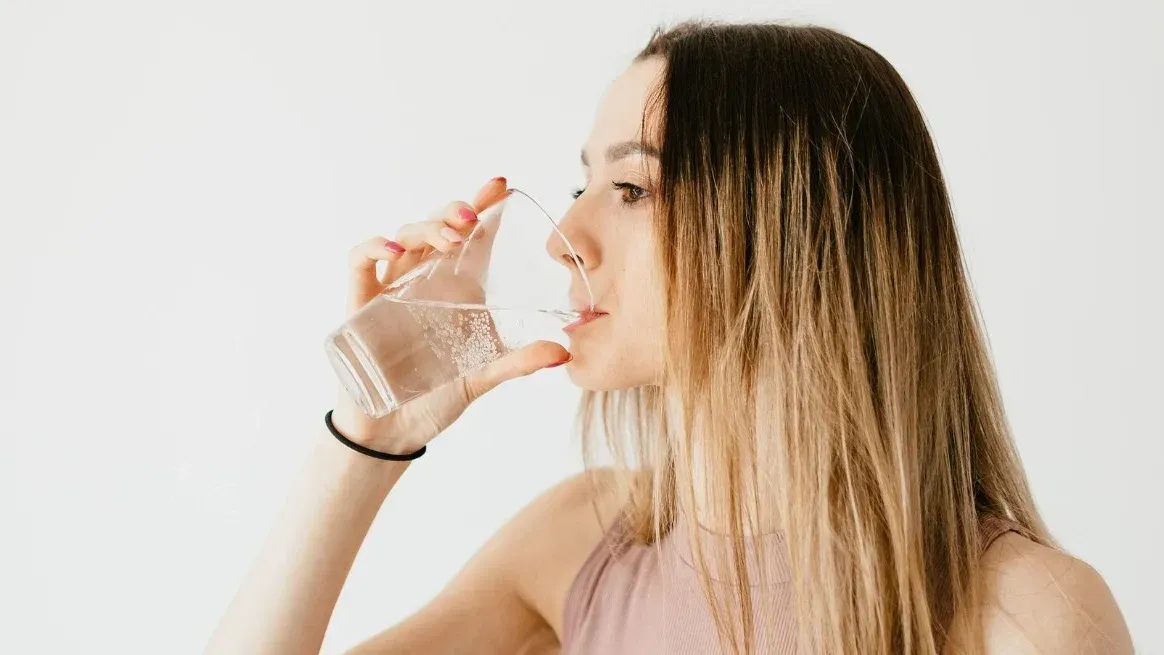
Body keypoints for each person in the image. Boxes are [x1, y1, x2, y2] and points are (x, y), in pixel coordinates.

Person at [205, 20, 1134, 655]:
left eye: (634, 188)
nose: (565, 236)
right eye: (581, 186)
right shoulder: (581, 546)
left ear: (794, 231)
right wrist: (367, 437)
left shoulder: (1025, 613)